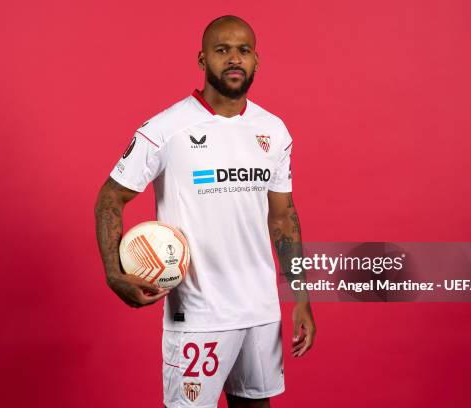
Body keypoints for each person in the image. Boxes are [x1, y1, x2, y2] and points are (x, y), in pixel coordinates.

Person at [95, 15, 316, 408]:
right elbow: (110, 198)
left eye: (244, 51)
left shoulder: (274, 130)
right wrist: (115, 273)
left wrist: (301, 296)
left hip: (260, 310)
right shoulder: (165, 129)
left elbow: (283, 217)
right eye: (222, 50)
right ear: (202, 59)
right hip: (199, 315)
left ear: (256, 61)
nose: (234, 59)